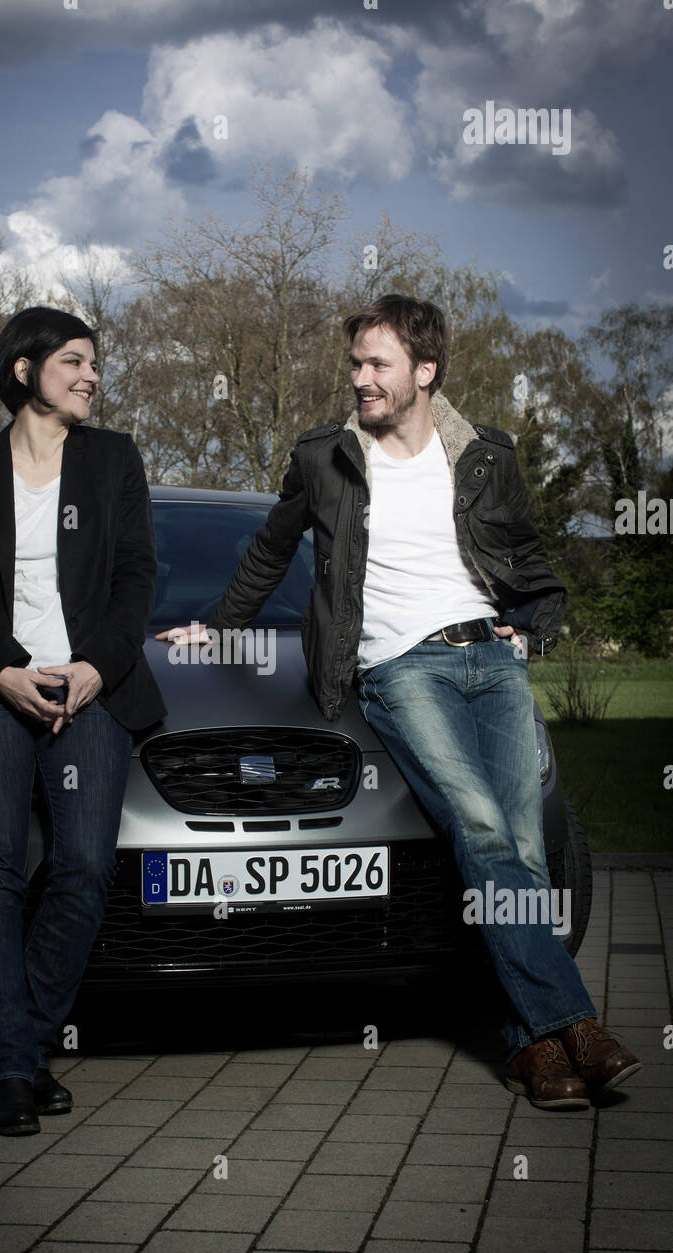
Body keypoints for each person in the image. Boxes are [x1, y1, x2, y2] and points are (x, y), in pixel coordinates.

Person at [158, 294, 640, 1111]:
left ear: (426, 371)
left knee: (521, 844)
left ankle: (533, 1048)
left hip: (488, 658)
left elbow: (527, 557)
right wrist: (216, 628)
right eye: (355, 364)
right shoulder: (327, 459)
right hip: (401, 670)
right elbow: (270, 550)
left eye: (378, 364)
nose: (361, 380)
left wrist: (534, 628)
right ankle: (577, 1022)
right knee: (483, 829)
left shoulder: (485, 457)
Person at [0, 306, 166, 1135]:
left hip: (91, 686)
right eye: (73, 360)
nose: (92, 375)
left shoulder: (114, 460)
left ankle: (15, 1046)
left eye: (95, 362)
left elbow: (137, 579)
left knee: (83, 871)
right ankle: (8, 1069)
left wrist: (95, 667)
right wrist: (4, 672)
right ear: (24, 371)